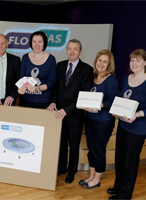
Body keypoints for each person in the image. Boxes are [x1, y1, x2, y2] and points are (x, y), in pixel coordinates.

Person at [107, 49, 146, 200]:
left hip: (138, 129)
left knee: (130, 162)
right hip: (123, 126)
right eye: (132, 60)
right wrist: (116, 110)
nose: (134, 63)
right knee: (120, 159)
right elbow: (122, 99)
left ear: (145, 62)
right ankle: (118, 186)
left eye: (138, 60)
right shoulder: (126, 78)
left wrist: (137, 114)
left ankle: (124, 194)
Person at [47, 39, 93, 184]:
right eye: (69, 49)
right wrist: (53, 101)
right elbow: (55, 88)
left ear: (80, 51)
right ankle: (61, 168)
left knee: (73, 145)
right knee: (60, 143)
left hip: (74, 115)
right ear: (66, 50)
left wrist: (67, 110)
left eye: (75, 49)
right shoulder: (60, 66)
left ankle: (71, 171)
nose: (71, 52)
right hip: (58, 113)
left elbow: (83, 94)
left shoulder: (87, 70)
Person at [79, 49, 119, 189]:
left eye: (105, 61)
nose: (101, 64)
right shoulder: (93, 77)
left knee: (98, 149)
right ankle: (91, 176)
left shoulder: (111, 80)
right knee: (91, 149)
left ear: (109, 64)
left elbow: (113, 102)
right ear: (96, 61)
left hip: (103, 122)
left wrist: (100, 105)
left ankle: (96, 180)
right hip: (90, 119)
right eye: (99, 60)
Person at [18, 31, 57, 109]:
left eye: (40, 41)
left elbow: (51, 82)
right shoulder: (25, 57)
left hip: (43, 102)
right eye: (34, 41)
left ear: (44, 43)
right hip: (25, 100)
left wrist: (36, 89)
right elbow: (21, 78)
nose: (37, 45)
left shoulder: (51, 59)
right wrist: (20, 89)